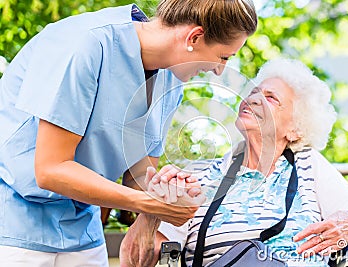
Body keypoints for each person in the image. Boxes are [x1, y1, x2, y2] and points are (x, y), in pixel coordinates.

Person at [0, 0, 258, 266]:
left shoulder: (170, 81)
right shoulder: (85, 44)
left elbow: (139, 176)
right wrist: (148, 203)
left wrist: (169, 193)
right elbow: (50, 169)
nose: (219, 70)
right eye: (223, 56)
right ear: (194, 37)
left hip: (82, 232)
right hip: (14, 226)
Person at [128, 58, 348, 267]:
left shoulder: (309, 165)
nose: (252, 99)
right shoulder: (199, 175)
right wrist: (152, 212)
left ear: (296, 129)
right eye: (253, 92)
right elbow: (136, 262)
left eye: (271, 98)